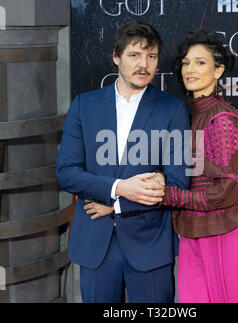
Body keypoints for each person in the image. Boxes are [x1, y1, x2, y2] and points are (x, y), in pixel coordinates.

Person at [56, 21, 190, 303]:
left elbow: (178, 182)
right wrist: (118, 188)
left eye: (151, 57)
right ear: (116, 56)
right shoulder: (84, 105)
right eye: (134, 55)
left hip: (150, 245)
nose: (144, 64)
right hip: (96, 244)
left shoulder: (173, 110)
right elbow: (66, 173)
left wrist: (117, 202)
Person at [156, 30, 238, 303]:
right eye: (185, 62)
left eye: (200, 62)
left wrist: (169, 195)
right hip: (194, 234)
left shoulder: (222, 120)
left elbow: (229, 189)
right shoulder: (186, 115)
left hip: (230, 234)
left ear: (219, 70)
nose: (189, 69)